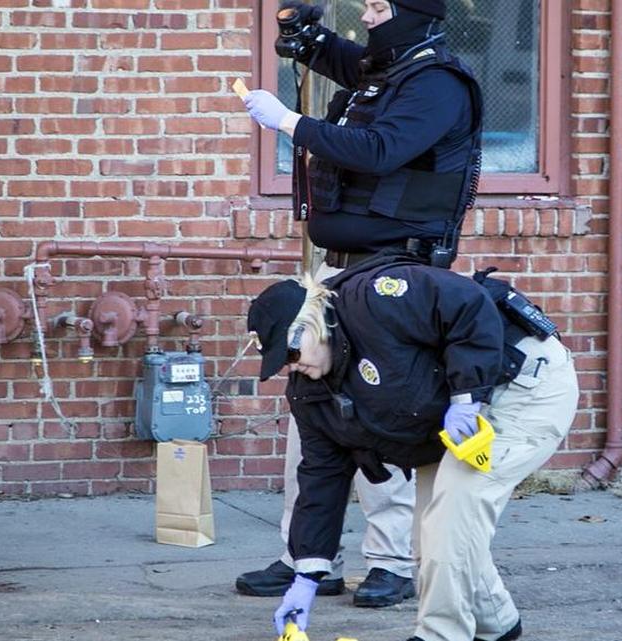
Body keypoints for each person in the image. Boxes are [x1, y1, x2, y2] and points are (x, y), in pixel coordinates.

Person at [237, 0, 484, 608]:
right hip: (338, 271)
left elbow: (379, 149)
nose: (368, 17)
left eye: (378, 6)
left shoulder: (438, 85)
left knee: (381, 409)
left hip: (395, 275)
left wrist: (290, 123)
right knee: (310, 404)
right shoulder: (391, 69)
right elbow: (348, 61)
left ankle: (390, 561)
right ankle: (308, 557)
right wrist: (306, 34)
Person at [246, 254, 579, 641]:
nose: (290, 367)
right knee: (429, 536)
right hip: (446, 417)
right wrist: (306, 575)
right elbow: (321, 478)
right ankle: (494, 623)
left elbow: (468, 303)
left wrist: (466, 398)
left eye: (290, 353)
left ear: (312, 323)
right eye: (280, 363)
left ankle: (441, 635)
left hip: (519, 385)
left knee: (449, 521)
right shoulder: (311, 394)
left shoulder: (373, 298)